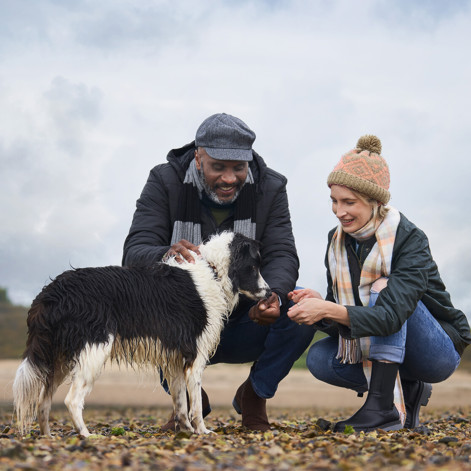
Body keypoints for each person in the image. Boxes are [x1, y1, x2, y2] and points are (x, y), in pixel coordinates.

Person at [122, 112, 315, 431]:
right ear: (198, 158)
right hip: (183, 319)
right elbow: (135, 251)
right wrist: (166, 253)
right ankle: (186, 400)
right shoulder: (164, 180)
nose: (229, 178)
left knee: (302, 313)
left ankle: (255, 395)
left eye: (238, 168)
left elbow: (282, 253)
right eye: (218, 167)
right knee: (144, 304)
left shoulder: (272, 186)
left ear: (249, 162)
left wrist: (275, 297)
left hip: (246, 316)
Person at [287, 135, 471, 432]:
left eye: (349, 202)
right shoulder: (336, 242)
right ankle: (407, 391)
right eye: (334, 201)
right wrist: (322, 304)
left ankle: (381, 407)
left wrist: (329, 309)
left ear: (375, 202)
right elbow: (349, 321)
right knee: (320, 359)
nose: (339, 211)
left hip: (436, 351)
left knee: (383, 287)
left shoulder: (410, 239)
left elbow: (390, 316)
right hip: (383, 342)